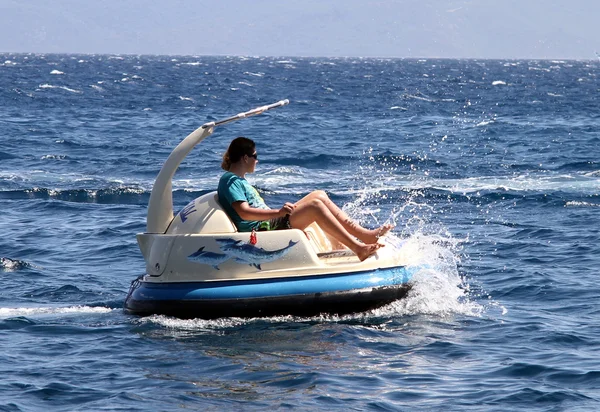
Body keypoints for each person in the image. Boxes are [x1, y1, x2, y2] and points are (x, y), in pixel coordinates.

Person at [217, 137, 392, 261]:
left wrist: (278, 213)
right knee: (315, 206)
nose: (257, 160)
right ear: (245, 158)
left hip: (270, 223)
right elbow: (244, 213)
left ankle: (365, 235)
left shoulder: (238, 180)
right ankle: (358, 248)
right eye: (255, 156)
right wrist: (278, 212)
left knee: (319, 195)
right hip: (263, 231)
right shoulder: (230, 181)